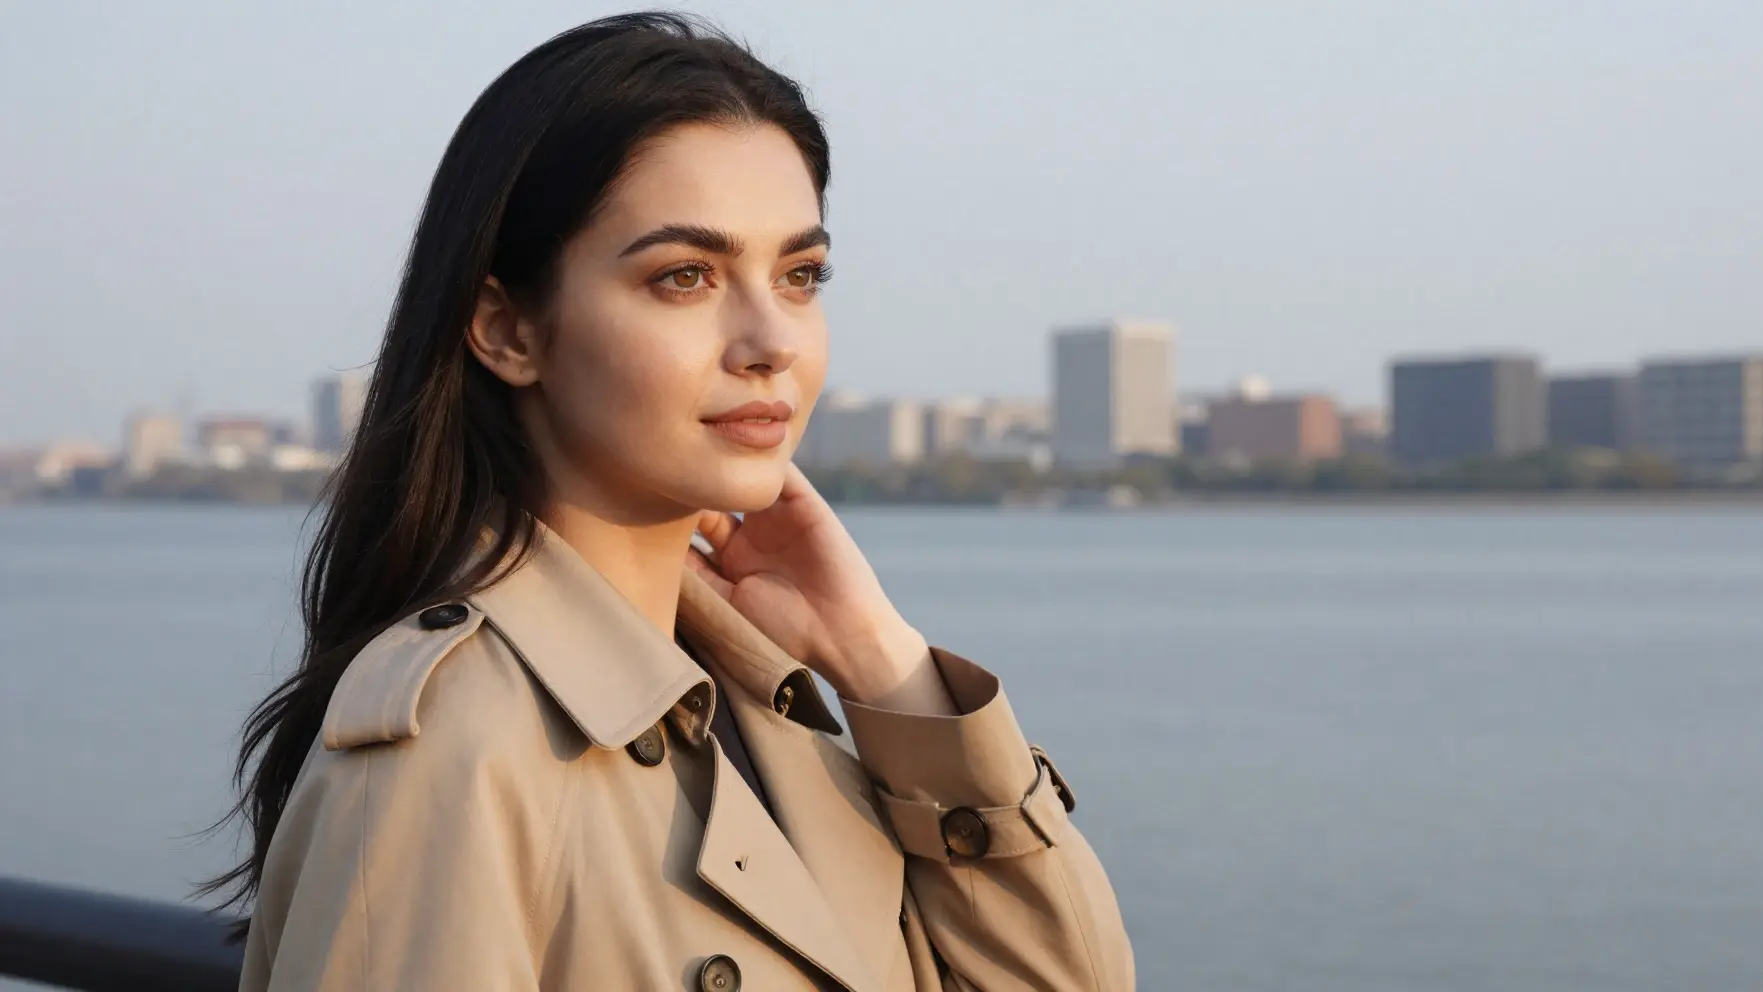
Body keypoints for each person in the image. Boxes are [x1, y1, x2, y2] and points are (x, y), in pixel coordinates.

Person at [209, 13, 1133, 991]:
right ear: (508, 329)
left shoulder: (779, 713)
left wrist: (880, 658)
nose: (769, 336)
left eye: (799, 274)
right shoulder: (451, 753)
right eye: (684, 276)